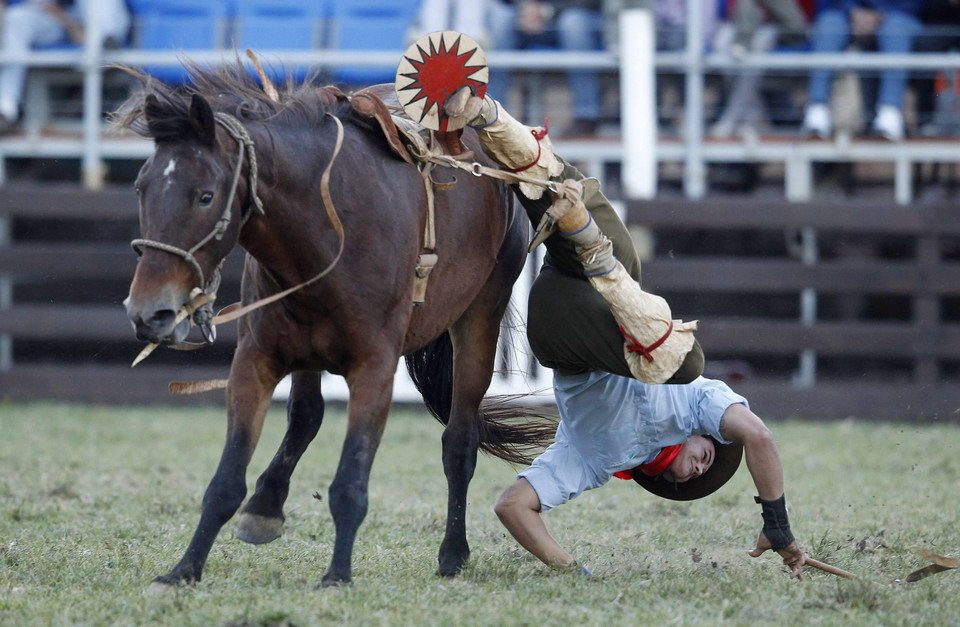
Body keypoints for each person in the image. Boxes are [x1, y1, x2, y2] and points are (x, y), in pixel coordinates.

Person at [441, 87, 807, 577]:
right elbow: (758, 437)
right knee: (562, 187)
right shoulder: (700, 405)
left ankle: (589, 247)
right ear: (707, 435)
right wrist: (777, 524)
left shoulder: (591, 461)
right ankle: (486, 117)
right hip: (609, 281)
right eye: (709, 457)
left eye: (697, 473)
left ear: (670, 484)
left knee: (680, 358)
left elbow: (511, 507)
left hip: (565, 333)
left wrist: (571, 570)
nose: (703, 464)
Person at [0, 0, 131, 135]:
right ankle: (6, 110)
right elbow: (45, 6)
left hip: (96, 26)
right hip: (61, 22)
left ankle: (103, 47)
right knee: (16, 18)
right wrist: (71, 25)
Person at [800, 0, 923, 141]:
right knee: (829, 24)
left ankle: (890, 111)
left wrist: (879, 14)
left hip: (897, 16)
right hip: (848, 14)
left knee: (895, 29)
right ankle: (817, 110)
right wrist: (853, 11)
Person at [487, 0, 606, 136]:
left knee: (573, 22)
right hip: (523, 15)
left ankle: (585, 115)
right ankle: (493, 118)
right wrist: (526, 7)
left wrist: (545, 11)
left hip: (567, 14)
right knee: (502, 20)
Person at [710, 0, 810, 138]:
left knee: (755, 47)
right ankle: (749, 119)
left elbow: (795, 24)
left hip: (777, 29)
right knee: (722, 43)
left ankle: (732, 118)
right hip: (741, 29)